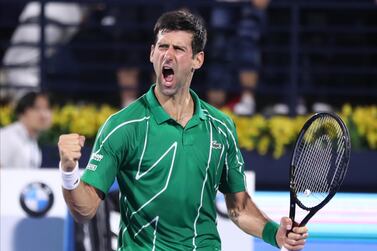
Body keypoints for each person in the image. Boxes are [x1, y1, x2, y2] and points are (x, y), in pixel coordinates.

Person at [58, 10, 308, 251]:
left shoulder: (221, 126)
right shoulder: (122, 126)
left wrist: (275, 233)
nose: (168, 55)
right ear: (152, 54)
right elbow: (85, 209)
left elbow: (239, 208)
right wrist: (69, 172)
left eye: (178, 49)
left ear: (197, 60)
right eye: (162, 47)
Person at [0, 91, 52, 168]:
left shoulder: (32, 142)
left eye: (47, 108)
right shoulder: (7, 137)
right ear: (23, 112)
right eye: (37, 108)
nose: (44, 115)